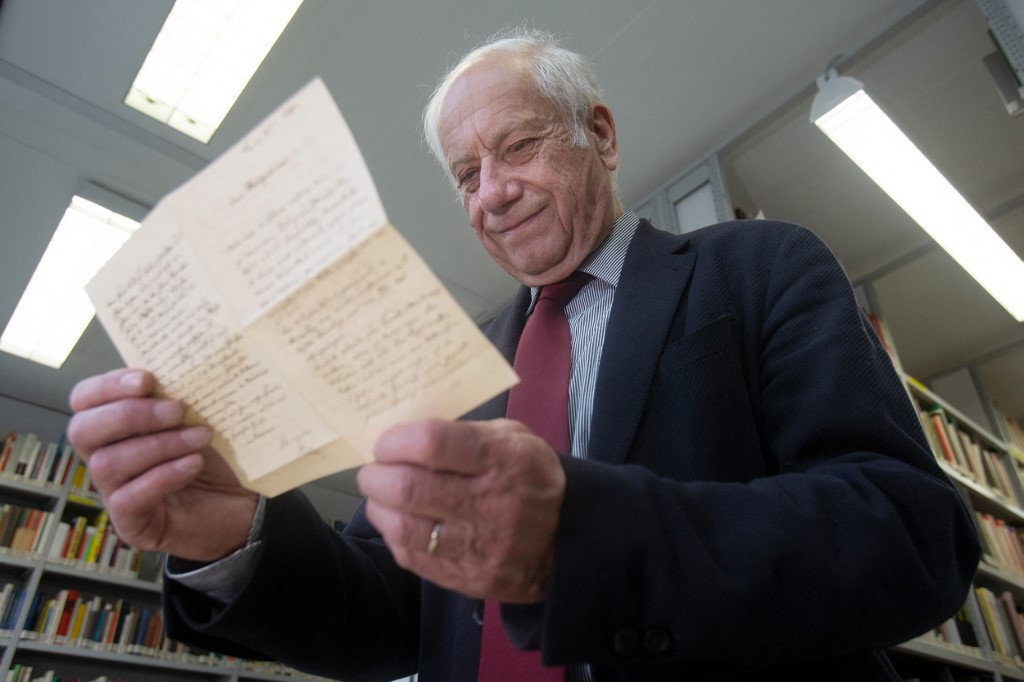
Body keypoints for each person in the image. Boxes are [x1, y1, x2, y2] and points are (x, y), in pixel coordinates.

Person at [67, 28, 980, 682]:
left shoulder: (760, 265)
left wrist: (579, 540)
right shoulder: (446, 372)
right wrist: (232, 531)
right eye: (467, 175)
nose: (494, 193)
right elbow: (387, 618)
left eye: (519, 148)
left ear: (602, 136)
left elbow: (909, 533)